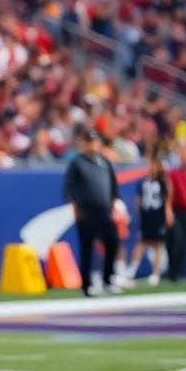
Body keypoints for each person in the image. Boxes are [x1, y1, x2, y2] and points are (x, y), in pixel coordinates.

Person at [62, 127, 122, 296]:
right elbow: (69, 187)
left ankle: (108, 279)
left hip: (104, 211)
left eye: (95, 141)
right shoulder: (77, 163)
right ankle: (87, 285)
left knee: (112, 242)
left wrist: (115, 203)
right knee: (87, 247)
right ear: (84, 143)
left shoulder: (104, 161)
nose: (93, 145)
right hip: (86, 211)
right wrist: (75, 207)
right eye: (90, 141)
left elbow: (113, 184)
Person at [128, 153, 172, 286]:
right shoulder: (143, 181)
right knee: (141, 243)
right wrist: (138, 211)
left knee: (158, 244)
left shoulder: (162, 182)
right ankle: (132, 270)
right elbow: (139, 199)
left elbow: (167, 199)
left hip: (157, 215)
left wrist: (168, 213)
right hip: (146, 215)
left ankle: (155, 273)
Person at [166, 144, 186, 282]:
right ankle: (172, 271)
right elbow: (169, 193)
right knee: (175, 242)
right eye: (184, 157)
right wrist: (168, 210)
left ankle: (178, 271)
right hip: (176, 211)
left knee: (184, 243)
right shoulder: (173, 174)